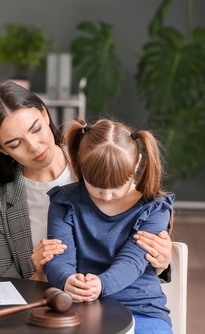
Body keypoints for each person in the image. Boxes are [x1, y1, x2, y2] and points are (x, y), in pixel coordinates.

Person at [0, 81, 172, 282]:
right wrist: (39, 275)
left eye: (36, 129)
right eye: (15, 144)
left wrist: (161, 263)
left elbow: (136, 249)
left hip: (118, 301)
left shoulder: (95, 160)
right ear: (0, 148)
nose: (34, 147)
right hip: (42, 307)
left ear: (45, 113)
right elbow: (1, 285)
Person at [45, 119, 173, 333]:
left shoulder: (154, 208)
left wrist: (102, 284)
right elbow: (59, 255)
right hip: (79, 307)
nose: (106, 195)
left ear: (136, 163)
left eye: (116, 186)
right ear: (81, 164)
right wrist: (66, 279)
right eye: (95, 185)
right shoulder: (64, 201)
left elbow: (132, 260)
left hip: (141, 309)